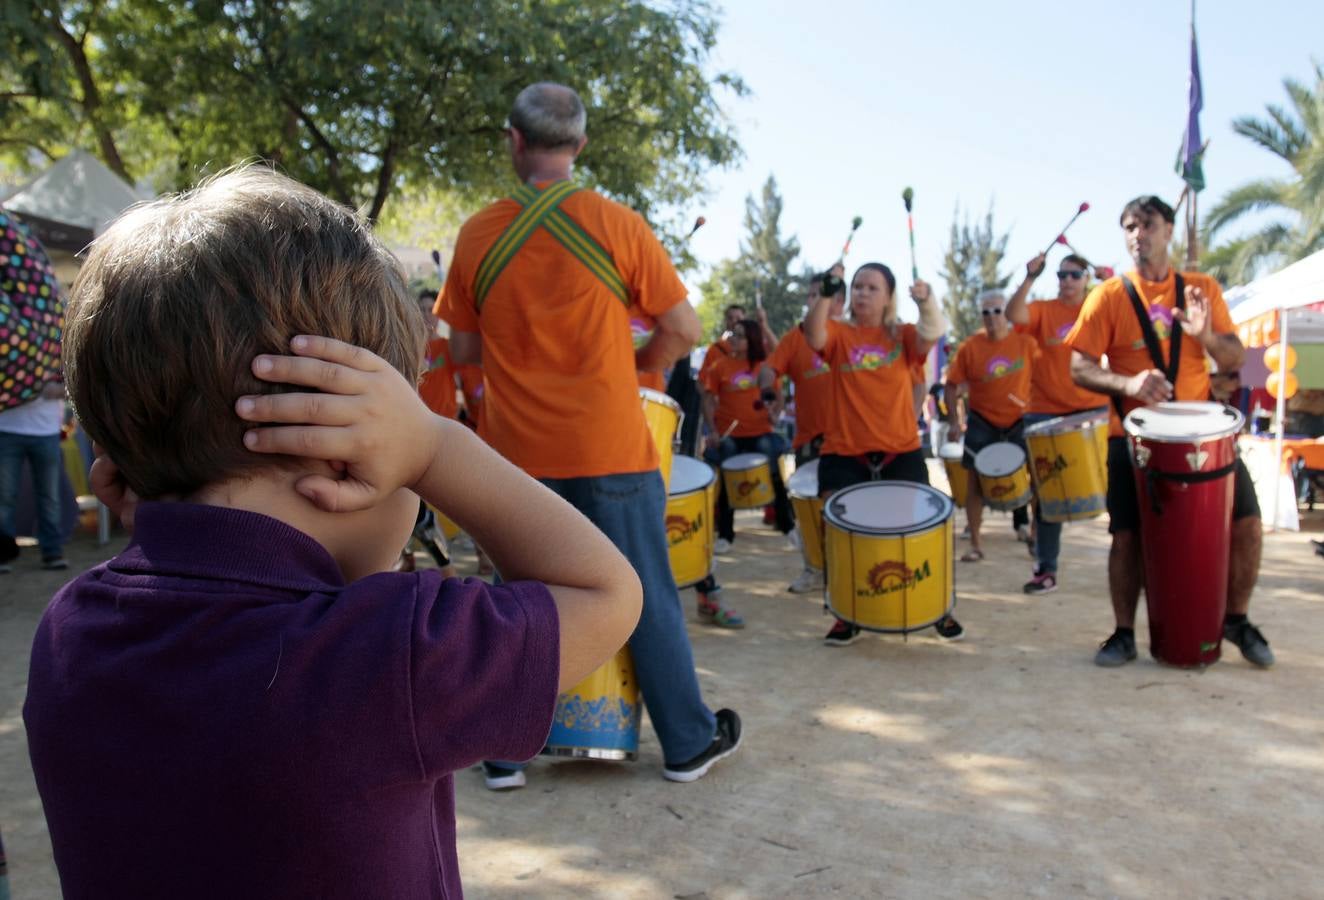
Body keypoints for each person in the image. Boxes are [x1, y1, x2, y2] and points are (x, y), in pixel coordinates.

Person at [23, 166, 644, 899]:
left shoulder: (69, 633)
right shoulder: (386, 656)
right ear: (339, 450)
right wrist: (437, 448)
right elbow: (607, 592)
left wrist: (167, 496)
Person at [437, 83, 741, 788]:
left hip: (516, 459)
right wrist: (639, 363)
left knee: (519, 598)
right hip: (609, 449)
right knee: (643, 594)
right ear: (580, 144)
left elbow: (462, 352)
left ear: (514, 139)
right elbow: (686, 329)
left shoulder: (481, 232)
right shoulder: (617, 223)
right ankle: (689, 745)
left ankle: (505, 753)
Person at [1066, 194, 1273, 668]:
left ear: (1169, 230)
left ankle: (1236, 620)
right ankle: (1123, 634)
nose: (1138, 234)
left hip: (1205, 439)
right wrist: (1128, 382)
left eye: (1148, 224)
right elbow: (1078, 367)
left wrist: (1203, 336)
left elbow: (1235, 359)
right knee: (1127, 539)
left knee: (1247, 526)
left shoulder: (1201, 288)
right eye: (1129, 227)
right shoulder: (1109, 296)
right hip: (1133, 439)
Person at [806, 262, 963, 645]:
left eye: (872, 287)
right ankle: (846, 613)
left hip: (899, 452)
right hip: (844, 454)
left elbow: (931, 334)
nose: (862, 293)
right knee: (841, 540)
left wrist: (927, 302)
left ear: (889, 296)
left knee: (914, 533)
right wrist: (827, 291)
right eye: (857, 286)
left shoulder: (903, 336)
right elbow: (812, 334)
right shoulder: (839, 334)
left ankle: (935, 606)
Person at [1005, 252, 1108, 594]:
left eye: (1075, 275)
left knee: (1116, 488)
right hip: (1045, 411)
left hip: (1094, 411)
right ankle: (1045, 569)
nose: (1067, 280)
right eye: (1062, 275)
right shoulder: (1044, 309)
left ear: (1086, 278)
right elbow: (1013, 314)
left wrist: (1112, 284)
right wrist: (1030, 277)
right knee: (1048, 494)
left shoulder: (1099, 305)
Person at [759, 265, 844, 593]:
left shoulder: (852, 333)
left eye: (817, 295)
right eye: (809, 295)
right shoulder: (795, 338)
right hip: (811, 438)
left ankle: (847, 569)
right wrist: (769, 392)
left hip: (852, 440)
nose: (811, 301)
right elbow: (770, 369)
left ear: (838, 302)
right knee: (810, 508)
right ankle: (814, 567)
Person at [945, 289, 1038, 562]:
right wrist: (954, 421)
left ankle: (1035, 536)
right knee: (973, 484)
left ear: (1006, 314)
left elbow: (1044, 374)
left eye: (997, 311)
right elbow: (951, 387)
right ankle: (975, 543)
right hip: (982, 420)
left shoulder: (1025, 343)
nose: (992, 318)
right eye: (986, 312)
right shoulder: (970, 347)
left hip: (1020, 419)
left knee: (1036, 475)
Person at [701, 318, 795, 551]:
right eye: (733, 333)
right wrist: (712, 429)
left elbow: (778, 392)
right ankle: (725, 535)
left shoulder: (765, 365)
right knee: (726, 481)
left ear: (751, 339)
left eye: (740, 335)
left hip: (761, 431)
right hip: (730, 435)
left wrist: (775, 413)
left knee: (775, 477)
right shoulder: (719, 366)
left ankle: (789, 527)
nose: (733, 338)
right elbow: (707, 397)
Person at [0, 381, 69, 573]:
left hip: (46, 431)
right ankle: (3, 553)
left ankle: (53, 552)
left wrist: (59, 390)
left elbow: (73, 381)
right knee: (4, 496)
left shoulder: (56, 350)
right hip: (6, 429)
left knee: (49, 496)